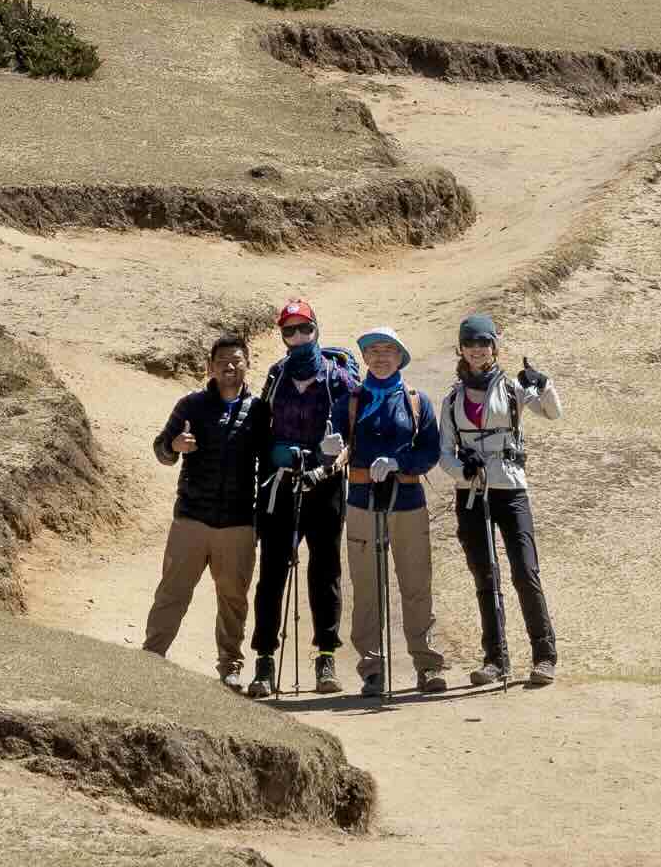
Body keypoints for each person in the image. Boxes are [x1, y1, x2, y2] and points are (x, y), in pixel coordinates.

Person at [441, 311, 561, 688]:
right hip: (472, 493)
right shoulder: (451, 399)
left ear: (495, 347)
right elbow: (445, 452)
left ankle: (544, 657)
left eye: (484, 343)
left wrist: (543, 384)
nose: (477, 350)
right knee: (485, 575)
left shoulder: (513, 388)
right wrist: (463, 469)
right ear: (460, 348)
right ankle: (495, 659)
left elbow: (553, 413)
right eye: (470, 343)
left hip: (511, 489)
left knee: (525, 571)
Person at [247, 296, 357, 698]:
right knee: (272, 573)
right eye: (288, 330)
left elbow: (352, 436)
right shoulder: (277, 375)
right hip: (281, 483)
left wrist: (329, 463)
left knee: (325, 570)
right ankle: (263, 660)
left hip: (325, 485)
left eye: (303, 328)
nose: (297, 336)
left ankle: (325, 655)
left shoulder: (338, 378)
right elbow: (262, 429)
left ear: (316, 329)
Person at [143, 335, 263, 687]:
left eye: (236, 359)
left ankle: (231, 665)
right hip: (191, 518)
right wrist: (174, 446)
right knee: (173, 591)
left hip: (239, 522)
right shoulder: (190, 406)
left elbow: (270, 460)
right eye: (222, 360)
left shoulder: (259, 410)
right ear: (209, 367)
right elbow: (161, 450)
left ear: (247, 364)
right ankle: (151, 656)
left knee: (233, 598)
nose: (229, 365)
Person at [344, 325, 445, 700]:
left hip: (407, 502)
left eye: (388, 350)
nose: (381, 357)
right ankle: (372, 670)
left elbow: (430, 452)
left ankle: (427, 665)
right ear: (365, 359)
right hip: (361, 502)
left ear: (400, 357)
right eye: (373, 351)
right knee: (367, 587)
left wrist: (399, 462)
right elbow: (334, 448)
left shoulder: (417, 401)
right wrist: (329, 447)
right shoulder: (351, 402)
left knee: (416, 585)